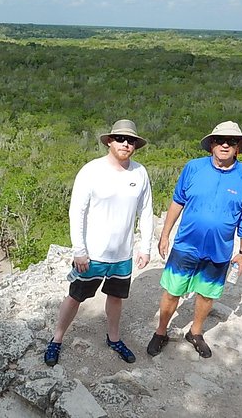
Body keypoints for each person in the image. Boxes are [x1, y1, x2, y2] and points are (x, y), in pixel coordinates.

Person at [44, 119, 154, 366]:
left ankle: (114, 338)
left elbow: (146, 212)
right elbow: (77, 212)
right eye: (121, 139)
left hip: (122, 254)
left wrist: (145, 247)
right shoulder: (91, 171)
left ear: (136, 145)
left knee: (116, 298)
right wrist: (79, 250)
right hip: (92, 254)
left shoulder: (140, 172)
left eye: (131, 140)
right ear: (109, 141)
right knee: (75, 296)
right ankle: (57, 339)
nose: (126, 143)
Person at [146, 121, 242, 359]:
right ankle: (161, 330)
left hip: (220, 248)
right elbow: (178, 201)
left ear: (238, 147)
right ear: (211, 145)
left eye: (232, 141)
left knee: (207, 293)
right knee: (172, 290)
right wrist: (165, 234)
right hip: (186, 243)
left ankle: (195, 332)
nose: (225, 145)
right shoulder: (193, 168)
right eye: (220, 140)